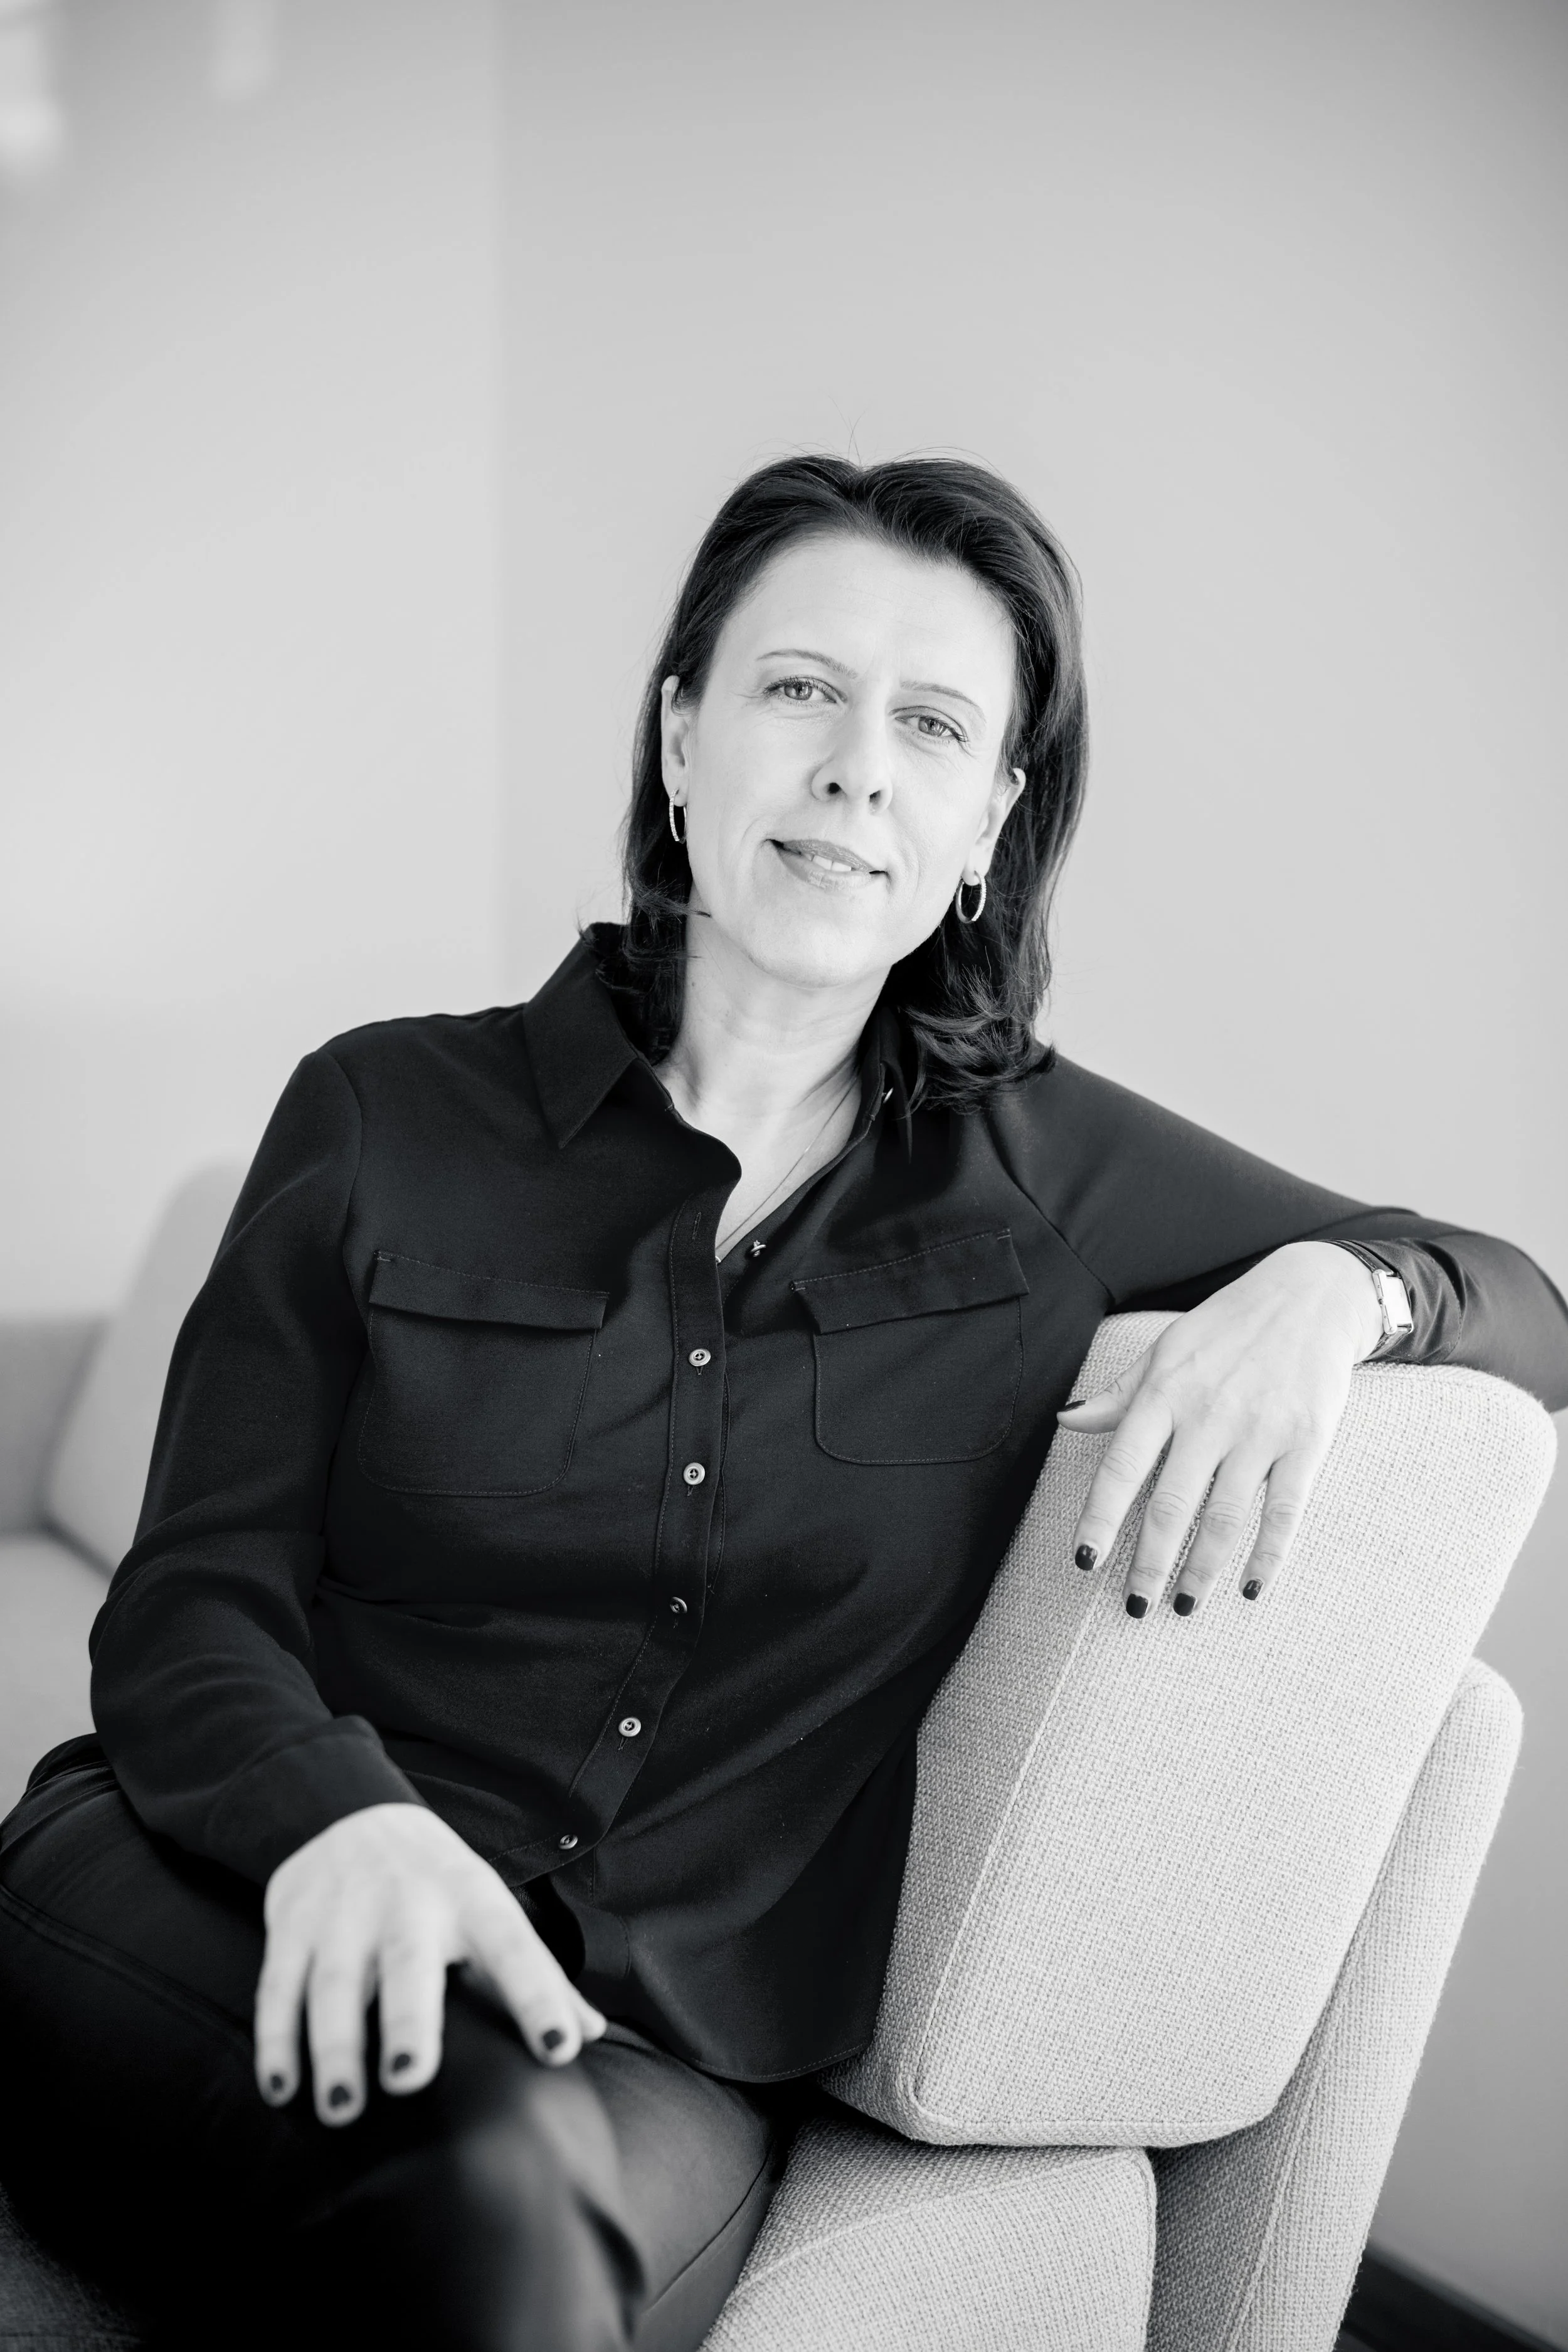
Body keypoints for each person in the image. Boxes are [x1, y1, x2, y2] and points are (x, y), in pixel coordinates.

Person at [2, 454, 1565, 2352]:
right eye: (799, 689)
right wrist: (343, 1824)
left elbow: (1521, 1305)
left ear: (989, 819)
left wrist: (1337, 1289)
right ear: (682, 738)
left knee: (504, 2218)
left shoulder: (1051, 1185)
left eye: (932, 725)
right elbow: (193, 1597)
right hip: (229, 1877)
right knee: (464, 2204)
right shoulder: (381, 1109)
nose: (856, 770)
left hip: (653, 2040)